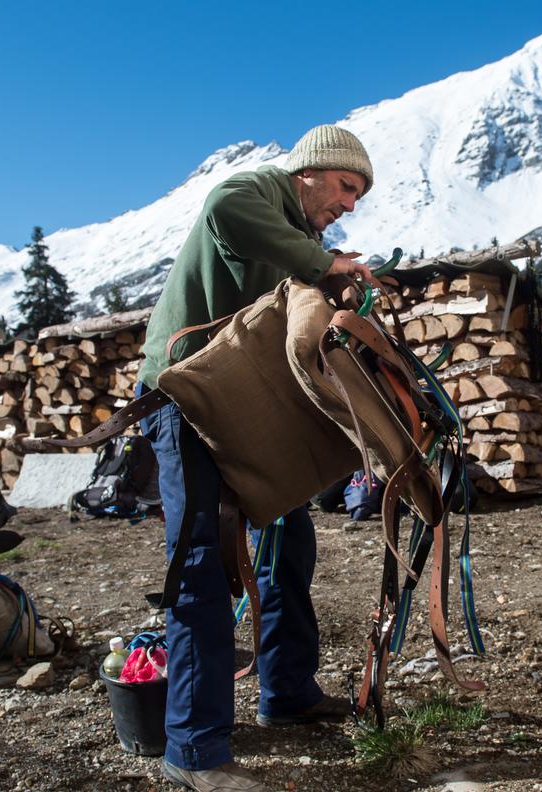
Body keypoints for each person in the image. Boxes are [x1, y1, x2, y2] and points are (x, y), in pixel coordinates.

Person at [136, 124, 380, 792]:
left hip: (242, 402)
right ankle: (193, 753)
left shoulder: (302, 239)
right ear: (311, 171)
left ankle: (287, 694)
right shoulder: (257, 191)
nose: (350, 203)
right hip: (183, 394)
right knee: (204, 566)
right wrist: (325, 265)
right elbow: (222, 208)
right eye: (346, 187)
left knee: (287, 547)